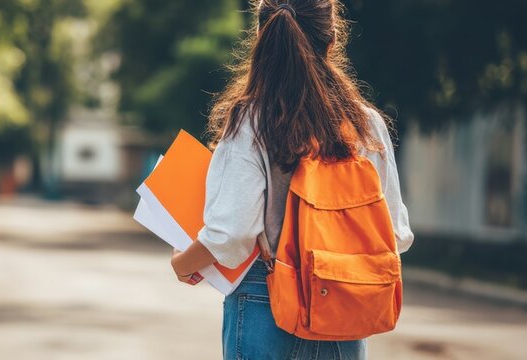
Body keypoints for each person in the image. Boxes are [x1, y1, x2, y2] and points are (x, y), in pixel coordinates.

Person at [169, 0, 415, 359]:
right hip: (344, 301)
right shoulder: (366, 125)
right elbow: (395, 234)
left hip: (265, 298)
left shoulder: (252, 120)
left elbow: (232, 233)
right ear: (331, 41)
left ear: (261, 36)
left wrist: (183, 263)